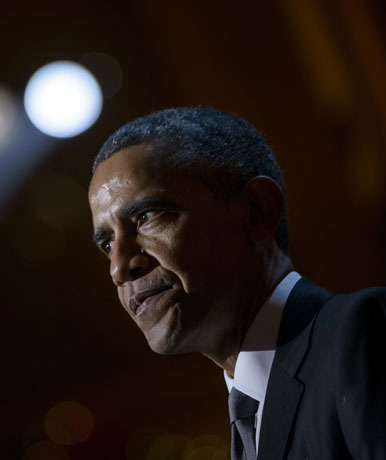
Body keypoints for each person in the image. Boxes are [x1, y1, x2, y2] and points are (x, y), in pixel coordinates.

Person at [87, 107, 386, 460]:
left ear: (258, 210)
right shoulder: (252, 416)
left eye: (147, 216)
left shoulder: (363, 333)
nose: (119, 266)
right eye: (107, 244)